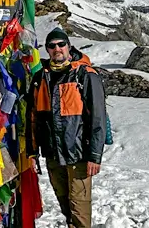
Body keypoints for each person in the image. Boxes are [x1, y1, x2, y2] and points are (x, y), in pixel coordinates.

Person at [25, 28, 106, 228]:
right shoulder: (40, 78)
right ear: (47, 50)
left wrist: (95, 156)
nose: (57, 49)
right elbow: (33, 117)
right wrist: (32, 151)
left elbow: (98, 119)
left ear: (69, 47)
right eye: (52, 46)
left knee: (79, 208)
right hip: (53, 155)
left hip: (78, 154)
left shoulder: (84, 75)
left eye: (61, 44)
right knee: (64, 204)